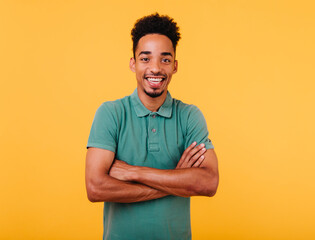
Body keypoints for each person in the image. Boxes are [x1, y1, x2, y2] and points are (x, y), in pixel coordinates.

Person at [85, 13, 219, 240]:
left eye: (165, 59)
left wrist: (133, 172)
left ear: (175, 66)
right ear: (133, 63)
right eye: (145, 59)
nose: (155, 68)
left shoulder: (189, 116)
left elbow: (208, 182)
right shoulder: (111, 113)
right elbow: (96, 188)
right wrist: (176, 179)